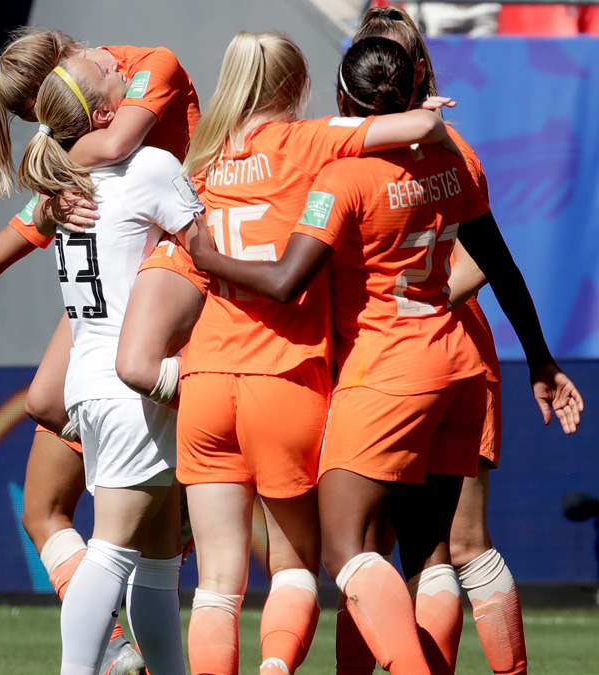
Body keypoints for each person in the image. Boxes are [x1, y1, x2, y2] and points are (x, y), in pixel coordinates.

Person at [185, 37, 583, 675]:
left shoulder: (341, 175)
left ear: (345, 99)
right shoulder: (457, 158)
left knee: (348, 550)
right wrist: (540, 358)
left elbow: (288, 280)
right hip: (457, 360)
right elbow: (499, 260)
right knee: (434, 552)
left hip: (386, 366)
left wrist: (206, 258)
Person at [0, 29, 204, 674]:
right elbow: (205, 245)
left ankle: (134, 634)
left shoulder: (83, 165)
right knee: (122, 549)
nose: (40, 124)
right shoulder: (129, 167)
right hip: (133, 340)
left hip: (98, 351)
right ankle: (102, 648)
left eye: (42, 112)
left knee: (53, 415)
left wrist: (50, 163)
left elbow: (5, 242)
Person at [172, 30, 459, 675]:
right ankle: (278, 670)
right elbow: (408, 127)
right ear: (298, 85)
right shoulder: (306, 140)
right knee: (300, 563)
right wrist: (430, 110)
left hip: (206, 377)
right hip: (285, 374)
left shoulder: (200, 158)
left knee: (217, 581)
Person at [326, 9, 533, 675]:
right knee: (421, 545)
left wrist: (419, 294)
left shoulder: (346, 158)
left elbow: (486, 260)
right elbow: (493, 255)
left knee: (397, 544)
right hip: (448, 358)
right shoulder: (447, 148)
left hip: (401, 354)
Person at [19, 57, 204, 675]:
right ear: (103, 114)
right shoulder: (149, 166)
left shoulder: (66, 179)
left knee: (155, 559)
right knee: (111, 550)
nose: (114, 62)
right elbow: (209, 255)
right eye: (105, 71)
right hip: (133, 385)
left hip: (92, 379)